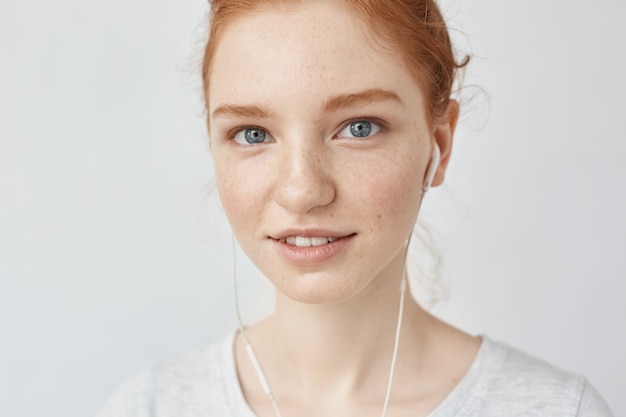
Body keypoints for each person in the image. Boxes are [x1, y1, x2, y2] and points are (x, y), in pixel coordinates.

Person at [97, 0, 614, 416]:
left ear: (439, 146)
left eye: (359, 128)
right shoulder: (147, 407)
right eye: (252, 134)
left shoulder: (560, 410)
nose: (301, 191)